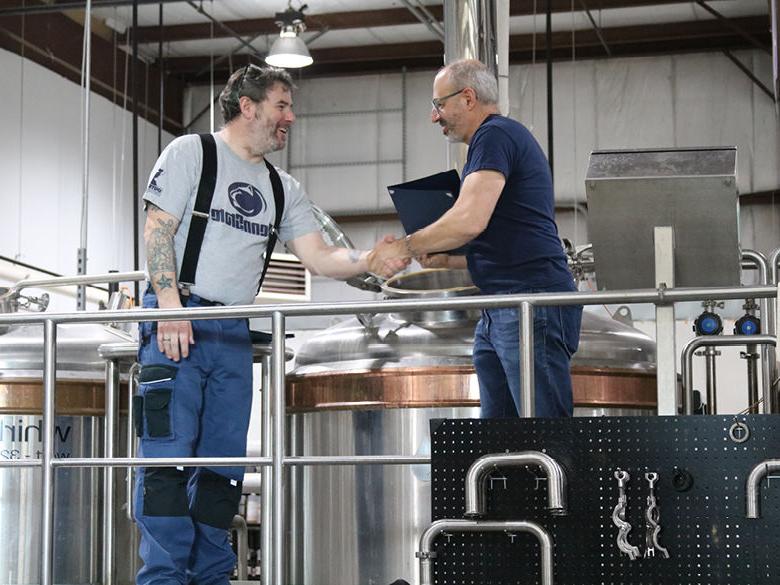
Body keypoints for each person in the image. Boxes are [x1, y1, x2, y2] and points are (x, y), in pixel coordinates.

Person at [135, 64, 407, 585]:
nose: (291, 117)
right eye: (282, 105)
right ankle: (164, 579)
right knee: (167, 464)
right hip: (179, 320)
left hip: (233, 332)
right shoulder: (193, 153)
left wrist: (371, 259)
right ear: (248, 106)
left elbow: (322, 257)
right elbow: (157, 229)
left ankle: (212, 576)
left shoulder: (282, 187)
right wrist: (168, 306)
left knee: (222, 467)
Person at [374, 59, 582, 419]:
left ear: (468, 98)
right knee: (497, 439)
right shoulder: (493, 141)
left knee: (546, 434)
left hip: (529, 303)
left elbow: (470, 220)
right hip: (502, 304)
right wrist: (448, 261)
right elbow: (509, 241)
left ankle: (561, 477)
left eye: (439, 105)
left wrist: (406, 246)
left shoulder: (495, 135)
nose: (434, 117)